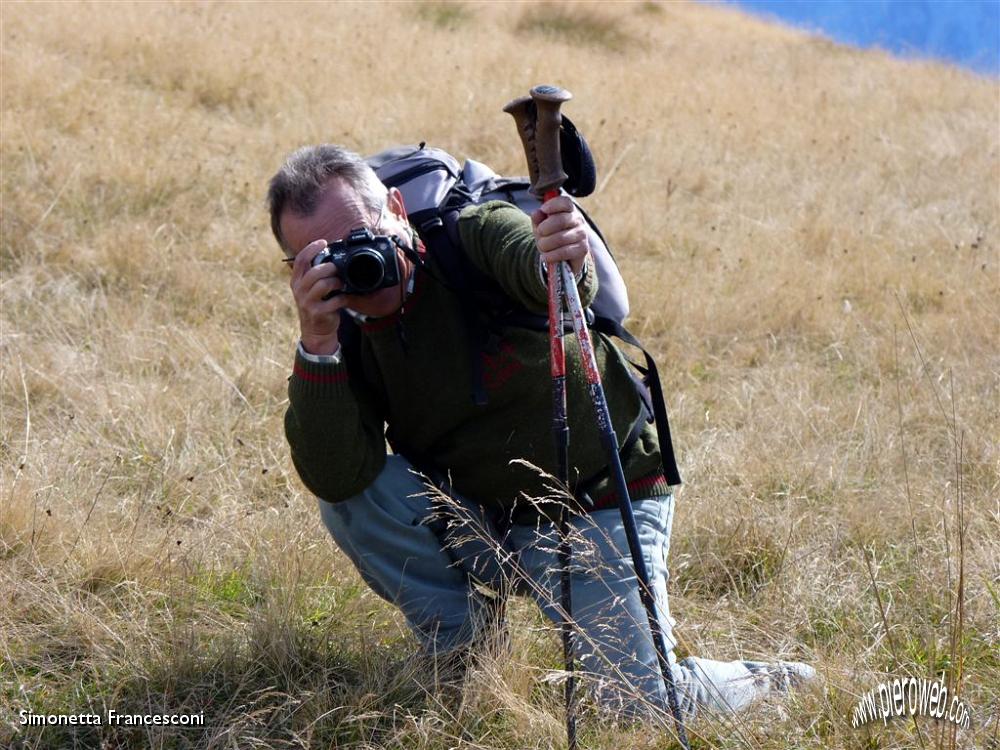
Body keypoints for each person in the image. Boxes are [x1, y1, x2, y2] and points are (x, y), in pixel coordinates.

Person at [267, 144, 816, 721]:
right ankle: (466, 659)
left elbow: (547, 278)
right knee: (352, 498)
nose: (359, 261)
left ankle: (769, 681)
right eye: (326, 255)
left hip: (596, 498)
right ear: (298, 270)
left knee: (635, 707)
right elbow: (334, 474)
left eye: (363, 234)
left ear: (397, 208)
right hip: (486, 518)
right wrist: (318, 346)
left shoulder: (472, 237)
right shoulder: (336, 336)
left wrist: (561, 256)